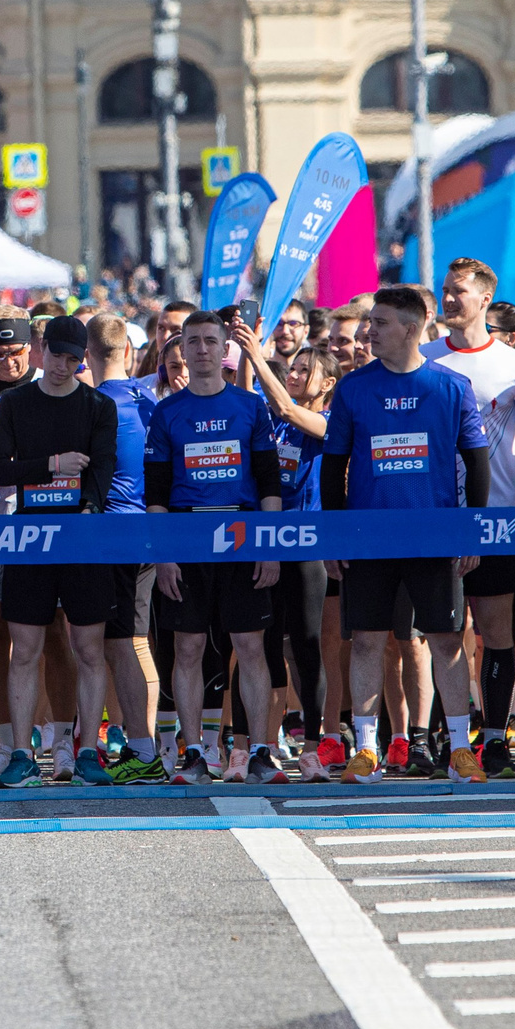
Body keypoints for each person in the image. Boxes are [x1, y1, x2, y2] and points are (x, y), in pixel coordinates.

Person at [322, 284, 491, 784]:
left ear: (412, 328)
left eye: (380, 323)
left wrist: (471, 532)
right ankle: (368, 748)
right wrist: (336, 537)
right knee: (369, 642)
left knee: (446, 640)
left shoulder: (451, 385)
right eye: (368, 322)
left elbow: (476, 462)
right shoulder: (354, 388)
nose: (368, 331)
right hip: (370, 537)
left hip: (434, 534)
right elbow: (334, 468)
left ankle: (460, 748)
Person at [422, 258, 515, 780]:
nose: (449, 300)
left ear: (483, 299)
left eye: (458, 292)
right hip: (435, 519)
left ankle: (495, 741)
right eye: (445, 292)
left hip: (497, 518)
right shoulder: (425, 359)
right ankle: (445, 741)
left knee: (497, 632)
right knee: (441, 634)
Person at [147, 307, 287, 783]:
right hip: (186, 542)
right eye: (194, 342)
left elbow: (270, 484)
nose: (202, 350)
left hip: (244, 539)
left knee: (251, 647)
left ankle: (261, 752)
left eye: (211, 341)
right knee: (186, 649)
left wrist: (269, 547)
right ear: (181, 349)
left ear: (225, 347)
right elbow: (156, 495)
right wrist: (164, 555)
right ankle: (193, 755)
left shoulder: (250, 406)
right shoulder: (166, 412)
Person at [0, 315, 120, 787]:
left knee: (88, 648)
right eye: (56, 356)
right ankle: (22, 753)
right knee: (25, 650)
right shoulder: (16, 403)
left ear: (82, 360)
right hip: (29, 536)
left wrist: (88, 507)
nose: (62, 366)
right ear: (40, 352)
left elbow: (103, 471)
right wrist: (51, 466)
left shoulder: (98, 405)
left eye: (72, 359)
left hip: (83, 538)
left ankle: (86, 751)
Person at [238, 323, 336, 778]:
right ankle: (261, 741)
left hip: (307, 546)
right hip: (265, 541)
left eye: (304, 369)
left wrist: (259, 356)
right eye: (291, 368)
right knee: (262, 643)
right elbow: (248, 397)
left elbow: (285, 405)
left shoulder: (325, 421)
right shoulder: (273, 421)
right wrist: (244, 351)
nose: (294, 374)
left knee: (307, 645)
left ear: (327, 384)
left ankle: (313, 745)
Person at [91, 312, 169, 787]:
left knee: (120, 643)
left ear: (85, 356)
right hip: (147, 528)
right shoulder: (149, 399)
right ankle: (145, 746)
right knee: (136, 640)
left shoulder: (93, 404)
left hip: (112, 533)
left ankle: (142, 748)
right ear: (130, 352)